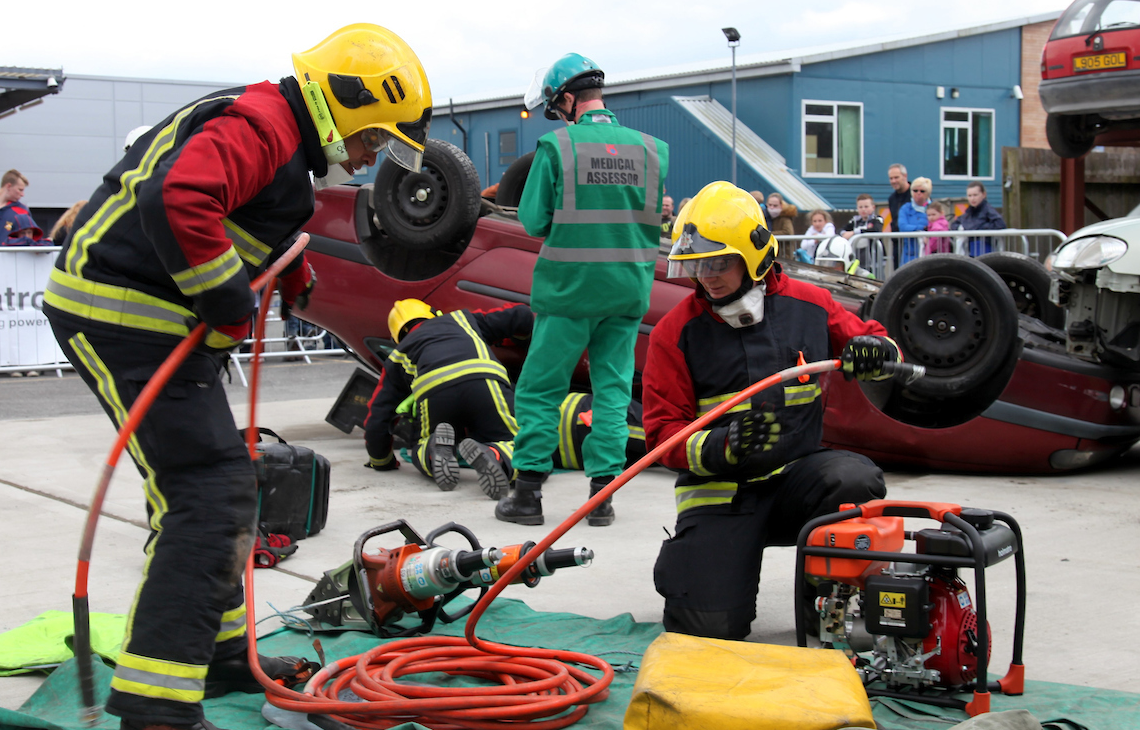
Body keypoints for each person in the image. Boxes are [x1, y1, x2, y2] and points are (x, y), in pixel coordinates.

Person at [41, 23, 433, 730]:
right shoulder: (261, 125)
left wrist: (287, 271)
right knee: (209, 496)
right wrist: (225, 298)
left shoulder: (276, 136)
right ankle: (156, 722)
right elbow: (180, 198)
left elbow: (236, 213)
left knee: (222, 489)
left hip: (150, 326)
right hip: (124, 318)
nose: (369, 157)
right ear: (345, 104)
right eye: (373, 138)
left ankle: (214, 654)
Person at [642, 181, 900, 640]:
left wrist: (874, 350)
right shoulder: (675, 333)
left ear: (756, 256)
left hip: (795, 487)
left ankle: (827, 597)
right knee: (706, 632)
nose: (707, 276)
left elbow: (881, 342)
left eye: (719, 262)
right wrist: (724, 446)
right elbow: (662, 437)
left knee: (854, 480)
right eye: (697, 263)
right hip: (720, 496)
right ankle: (712, 570)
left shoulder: (812, 305)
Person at [495, 53, 669, 527]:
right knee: (612, 391)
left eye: (557, 107)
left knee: (539, 390)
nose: (557, 115)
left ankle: (527, 496)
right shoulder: (653, 151)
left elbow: (532, 221)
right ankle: (602, 501)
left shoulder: (558, 148)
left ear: (569, 99)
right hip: (628, 290)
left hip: (569, 290)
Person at [364, 299, 532, 499]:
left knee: (420, 444)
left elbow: (378, 417)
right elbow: (522, 315)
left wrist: (381, 460)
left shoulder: (398, 355)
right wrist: (519, 338)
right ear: (434, 313)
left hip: (435, 397)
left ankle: (432, 450)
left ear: (397, 338)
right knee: (520, 445)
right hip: (483, 384)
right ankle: (494, 455)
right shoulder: (463, 319)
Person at [955, 181, 1006, 257]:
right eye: (969, 195)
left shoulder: (988, 210)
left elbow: (1000, 224)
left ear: (983, 194)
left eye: (975, 195)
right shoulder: (969, 211)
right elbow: (955, 224)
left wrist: (978, 228)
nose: (972, 198)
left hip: (986, 248)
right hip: (970, 250)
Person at [842, 193, 883, 272]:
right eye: (860, 207)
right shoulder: (855, 221)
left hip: (874, 258)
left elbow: (876, 229)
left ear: (873, 207)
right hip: (858, 257)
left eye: (866, 206)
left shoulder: (877, 219)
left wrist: (855, 232)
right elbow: (842, 229)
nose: (863, 209)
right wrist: (843, 233)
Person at [897, 177, 932, 264]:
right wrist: (922, 228)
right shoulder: (905, 208)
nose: (918, 193)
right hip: (909, 253)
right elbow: (902, 227)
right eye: (915, 190)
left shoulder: (933, 207)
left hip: (929, 251)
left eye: (922, 191)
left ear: (928, 193)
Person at [886, 164, 912, 265]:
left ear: (905, 176)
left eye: (896, 177)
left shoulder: (917, 193)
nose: (893, 181)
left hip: (912, 243)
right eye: (891, 178)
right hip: (897, 244)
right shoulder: (891, 199)